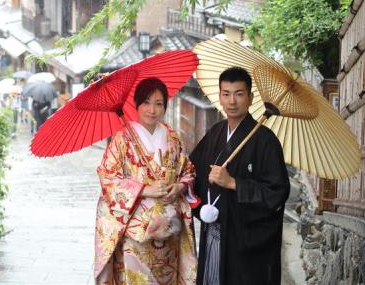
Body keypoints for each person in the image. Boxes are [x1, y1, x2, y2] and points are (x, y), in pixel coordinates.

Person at [190, 67, 289, 285]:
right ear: (220, 97)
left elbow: (277, 193)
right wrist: (187, 193)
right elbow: (191, 171)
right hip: (215, 231)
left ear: (250, 97)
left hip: (247, 244)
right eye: (226, 94)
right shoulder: (215, 132)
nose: (232, 101)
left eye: (239, 93)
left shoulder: (266, 141)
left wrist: (233, 183)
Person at [94, 78, 198, 285]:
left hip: (169, 228)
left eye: (159, 104)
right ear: (137, 104)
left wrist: (179, 186)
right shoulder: (122, 139)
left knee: (167, 278)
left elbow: (188, 170)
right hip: (136, 229)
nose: (152, 110)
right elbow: (108, 177)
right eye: (146, 102)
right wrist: (144, 189)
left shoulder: (172, 137)